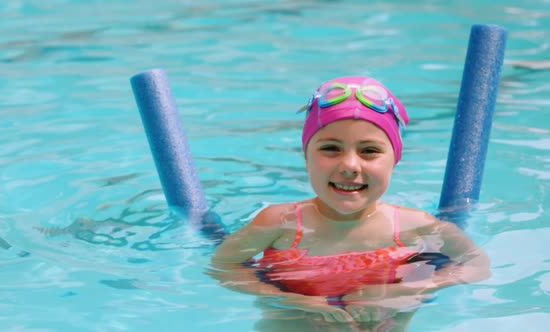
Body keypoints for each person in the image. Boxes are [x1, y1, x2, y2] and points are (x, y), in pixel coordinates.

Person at [208, 76, 491, 332]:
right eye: (330, 148)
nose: (350, 165)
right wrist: (293, 300)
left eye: (370, 151)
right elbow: (223, 266)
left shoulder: (415, 226)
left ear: (395, 160)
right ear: (307, 157)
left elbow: (477, 265)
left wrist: (407, 291)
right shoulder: (279, 224)